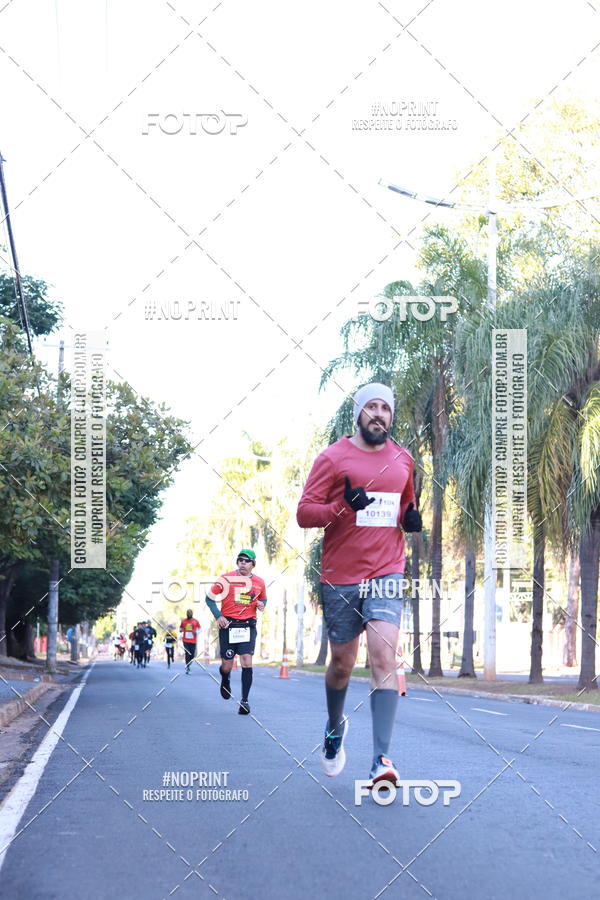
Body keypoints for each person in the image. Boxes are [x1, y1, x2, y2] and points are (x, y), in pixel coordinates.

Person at [296, 383, 422, 788]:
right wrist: (341, 507)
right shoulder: (333, 457)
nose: (379, 414)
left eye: (386, 407)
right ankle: (334, 728)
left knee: (385, 657)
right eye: (372, 406)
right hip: (341, 576)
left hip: (387, 571)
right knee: (342, 666)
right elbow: (304, 514)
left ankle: (380, 759)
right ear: (358, 413)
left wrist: (410, 518)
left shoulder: (403, 459)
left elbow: (406, 505)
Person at [205, 549, 267, 715]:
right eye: (240, 560)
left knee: (247, 660)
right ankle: (225, 679)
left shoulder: (259, 582)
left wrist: (262, 605)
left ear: (253, 564)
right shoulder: (226, 579)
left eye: (246, 561)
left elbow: (263, 598)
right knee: (227, 665)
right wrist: (218, 616)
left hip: (248, 626)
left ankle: (244, 701)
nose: (242, 563)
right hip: (229, 626)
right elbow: (209, 598)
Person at [179, 609, 201, 674]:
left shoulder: (195, 621)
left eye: (190, 613)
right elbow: (180, 628)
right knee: (187, 653)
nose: (189, 614)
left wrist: (196, 632)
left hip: (193, 640)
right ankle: (187, 666)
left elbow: (200, 629)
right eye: (188, 613)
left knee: (192, 655)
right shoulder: (183, 621)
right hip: (185, 640)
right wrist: (181, 630)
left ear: (192, 614)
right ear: (186, 613)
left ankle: (189, 664)